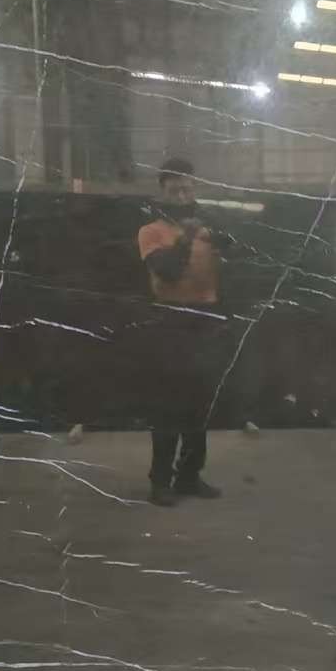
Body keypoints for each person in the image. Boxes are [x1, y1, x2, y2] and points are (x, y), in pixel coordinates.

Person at [137, 157, 225, 507]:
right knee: (168, 404)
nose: (182, 196)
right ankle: (160, 482)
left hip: (206, 320)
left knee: (199, 403)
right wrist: (187, 239)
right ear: (163, 192)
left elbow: (236, 265)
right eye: (174, 190)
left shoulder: (210, 230)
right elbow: (169, 273)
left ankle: (189, 476)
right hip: (170, 322)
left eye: (187, 189)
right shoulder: (151, 232)